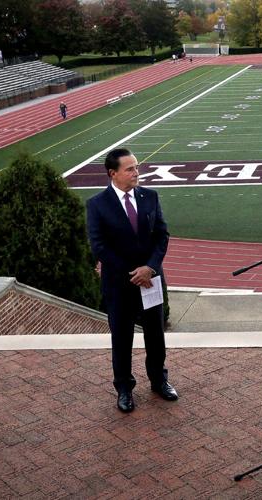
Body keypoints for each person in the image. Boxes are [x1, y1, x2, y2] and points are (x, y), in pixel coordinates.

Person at [86, 148, 176, 413]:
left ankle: (159, 380)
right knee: (122, 338)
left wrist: (150, 268)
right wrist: (134, 273)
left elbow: (162, 235)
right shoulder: (97, 204)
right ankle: (124, 389)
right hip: (119, 284)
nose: (136, 172)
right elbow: (99, 247)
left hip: (151, 279)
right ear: (113, 173)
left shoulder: (150, 196)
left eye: (136, 167)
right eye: (130, 169)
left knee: (155, 335)